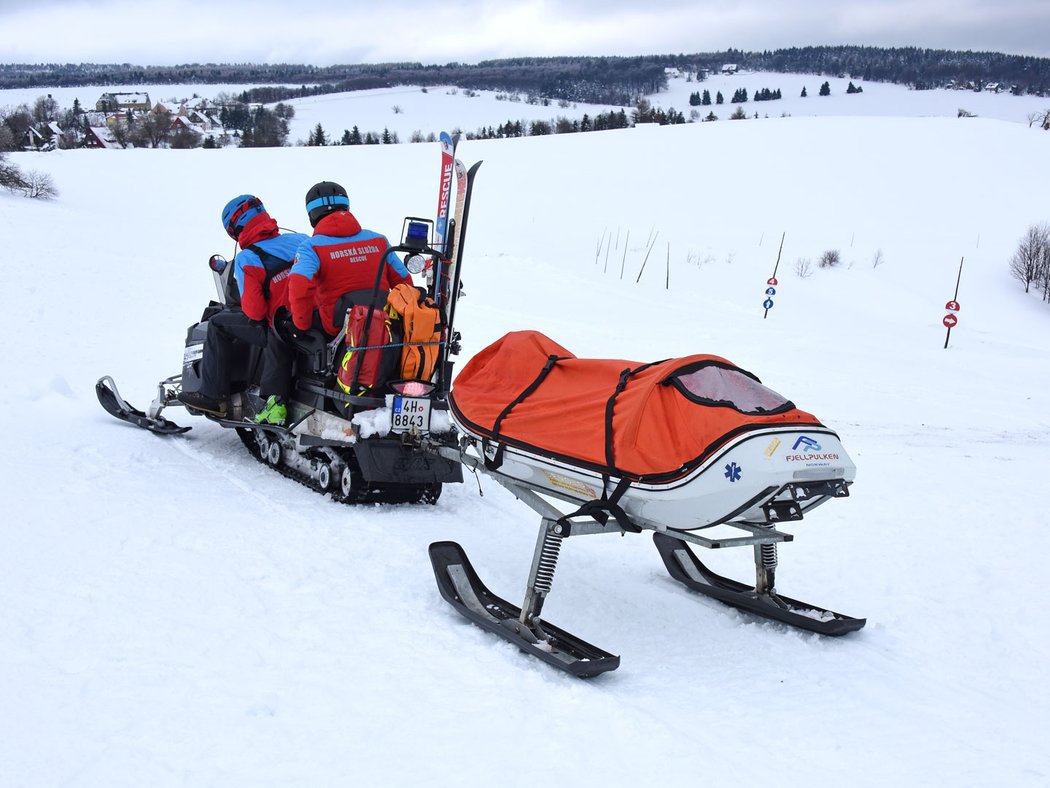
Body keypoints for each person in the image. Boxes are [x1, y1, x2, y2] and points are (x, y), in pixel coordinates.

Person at [178, 194, 308, 426]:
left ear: (235, 230)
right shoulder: (301, 240)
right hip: (311, 320)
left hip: (280, 329)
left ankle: (213, 397)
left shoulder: (248, 258)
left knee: (218, 322)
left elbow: (255, 312)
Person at [288, 181, 413, 337]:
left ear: (312, 214)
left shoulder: (310, 247)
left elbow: (299, 286)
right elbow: (404, 282)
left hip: (337, 327)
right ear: (346, 207)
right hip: (383, 320)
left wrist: (302, 325)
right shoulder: (379, 240)